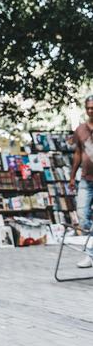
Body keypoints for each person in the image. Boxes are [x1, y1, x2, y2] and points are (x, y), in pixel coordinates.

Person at [69, 95, 93, 268]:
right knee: (83, 217)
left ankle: (90, 254)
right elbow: (78, 153)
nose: (91, 110)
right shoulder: (80, 130)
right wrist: (72, 176)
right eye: (88, 108)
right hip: (86, 179)